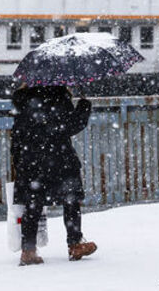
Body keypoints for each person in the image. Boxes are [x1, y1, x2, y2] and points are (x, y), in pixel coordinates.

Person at [10, 85, 97, 266]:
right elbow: (71, 125)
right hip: (59, 158)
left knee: (33, 204)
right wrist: (84, 104)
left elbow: (16, 134)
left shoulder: (23, 101)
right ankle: (75, 244)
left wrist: (19, 162)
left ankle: (28, 250)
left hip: (31, 160)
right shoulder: (57, 96)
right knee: (71, 200)